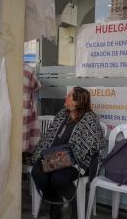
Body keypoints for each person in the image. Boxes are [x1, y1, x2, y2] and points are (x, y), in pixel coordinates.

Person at [31, 87, 106, 219]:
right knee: (37, 172)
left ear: (77, 102)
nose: (65, 98)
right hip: (53, 158)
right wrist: (43, 153)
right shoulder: (62, 114)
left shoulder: (90, 119)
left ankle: (73, 205)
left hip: (76, 161)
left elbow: (99, 142)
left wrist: (79, 149)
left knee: (57, 178)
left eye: (69, 96)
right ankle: (56, 203)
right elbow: (49, 137)